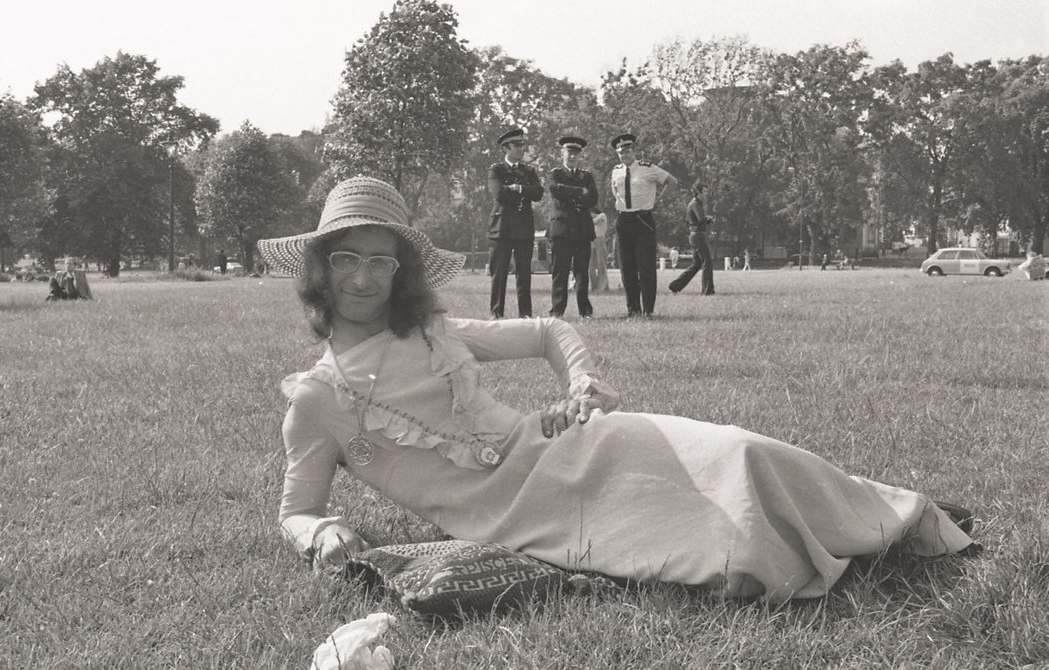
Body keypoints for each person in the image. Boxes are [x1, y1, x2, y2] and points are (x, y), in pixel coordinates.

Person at [258, 175, 979, 603]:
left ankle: (902, 517)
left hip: (568, 444)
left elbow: (548, 330)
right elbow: (295, 509)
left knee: (734, 449)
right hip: (512, 517)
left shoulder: (436, 331)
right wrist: (320, 531)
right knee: (723, 560)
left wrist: (580, 384)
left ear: (399, 273)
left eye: (379, 263)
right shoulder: (317, 399)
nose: (361, 277)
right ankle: (846, 535)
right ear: (318, 272)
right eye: (345, 260)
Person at [609, 134, 677, 318]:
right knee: (627, 267)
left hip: (643, 220)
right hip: (623, 220)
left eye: (628, 150)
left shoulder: (648, 168)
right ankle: (633, 310)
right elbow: (615, 193)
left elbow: (672, 181)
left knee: (646, 266)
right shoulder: (616, 171)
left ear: (634, 151)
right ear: (617, 154)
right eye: (621, 152)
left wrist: (660, 200)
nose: (625, 154)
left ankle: (648, 310)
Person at [487, 128, 544, 319]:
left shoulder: (528, 171)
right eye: (517, 145)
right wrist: (523, 192)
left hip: (523, 228)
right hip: (501, 229)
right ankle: (496, 312)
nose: (522, 148)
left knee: (524, 273)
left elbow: (538, 193)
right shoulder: (496, 170)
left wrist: (518, 188)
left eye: (522, 145)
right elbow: (499, 193)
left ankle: (525, 314)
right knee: (499, 273)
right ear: (506, 148)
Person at [546, 136, 598, 318]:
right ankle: (557, 311)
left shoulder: (587, 176)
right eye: (569, 152)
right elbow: (554, 190)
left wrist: (568, 194)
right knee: (560, 272)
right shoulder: (555, 174)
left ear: (580, 156)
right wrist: (579, 192)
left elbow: (593, 198)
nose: (572, 157)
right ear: (562, 154)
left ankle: (585, 311)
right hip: (562, 230)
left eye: (576, 153)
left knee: (582, 273)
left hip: (582, 230)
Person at [668, 181, 715, 295]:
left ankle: (675, 286)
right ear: (698, 192)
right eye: (704, 192)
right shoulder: (695, 204)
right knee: (707, 262)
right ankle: (707, 291)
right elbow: (701, 219)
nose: (706, 194)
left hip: (694, 235)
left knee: (696, 264)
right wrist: (708, 218)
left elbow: (691, 221)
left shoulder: (694, 204)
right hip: (698, 236)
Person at [588, 207, 610, 292]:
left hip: (600, 240)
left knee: (601, 264)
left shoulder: (602, 216)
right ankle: (594, 286)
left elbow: (594, 221)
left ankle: (603, 286)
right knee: (591, 265)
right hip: (591, 241)